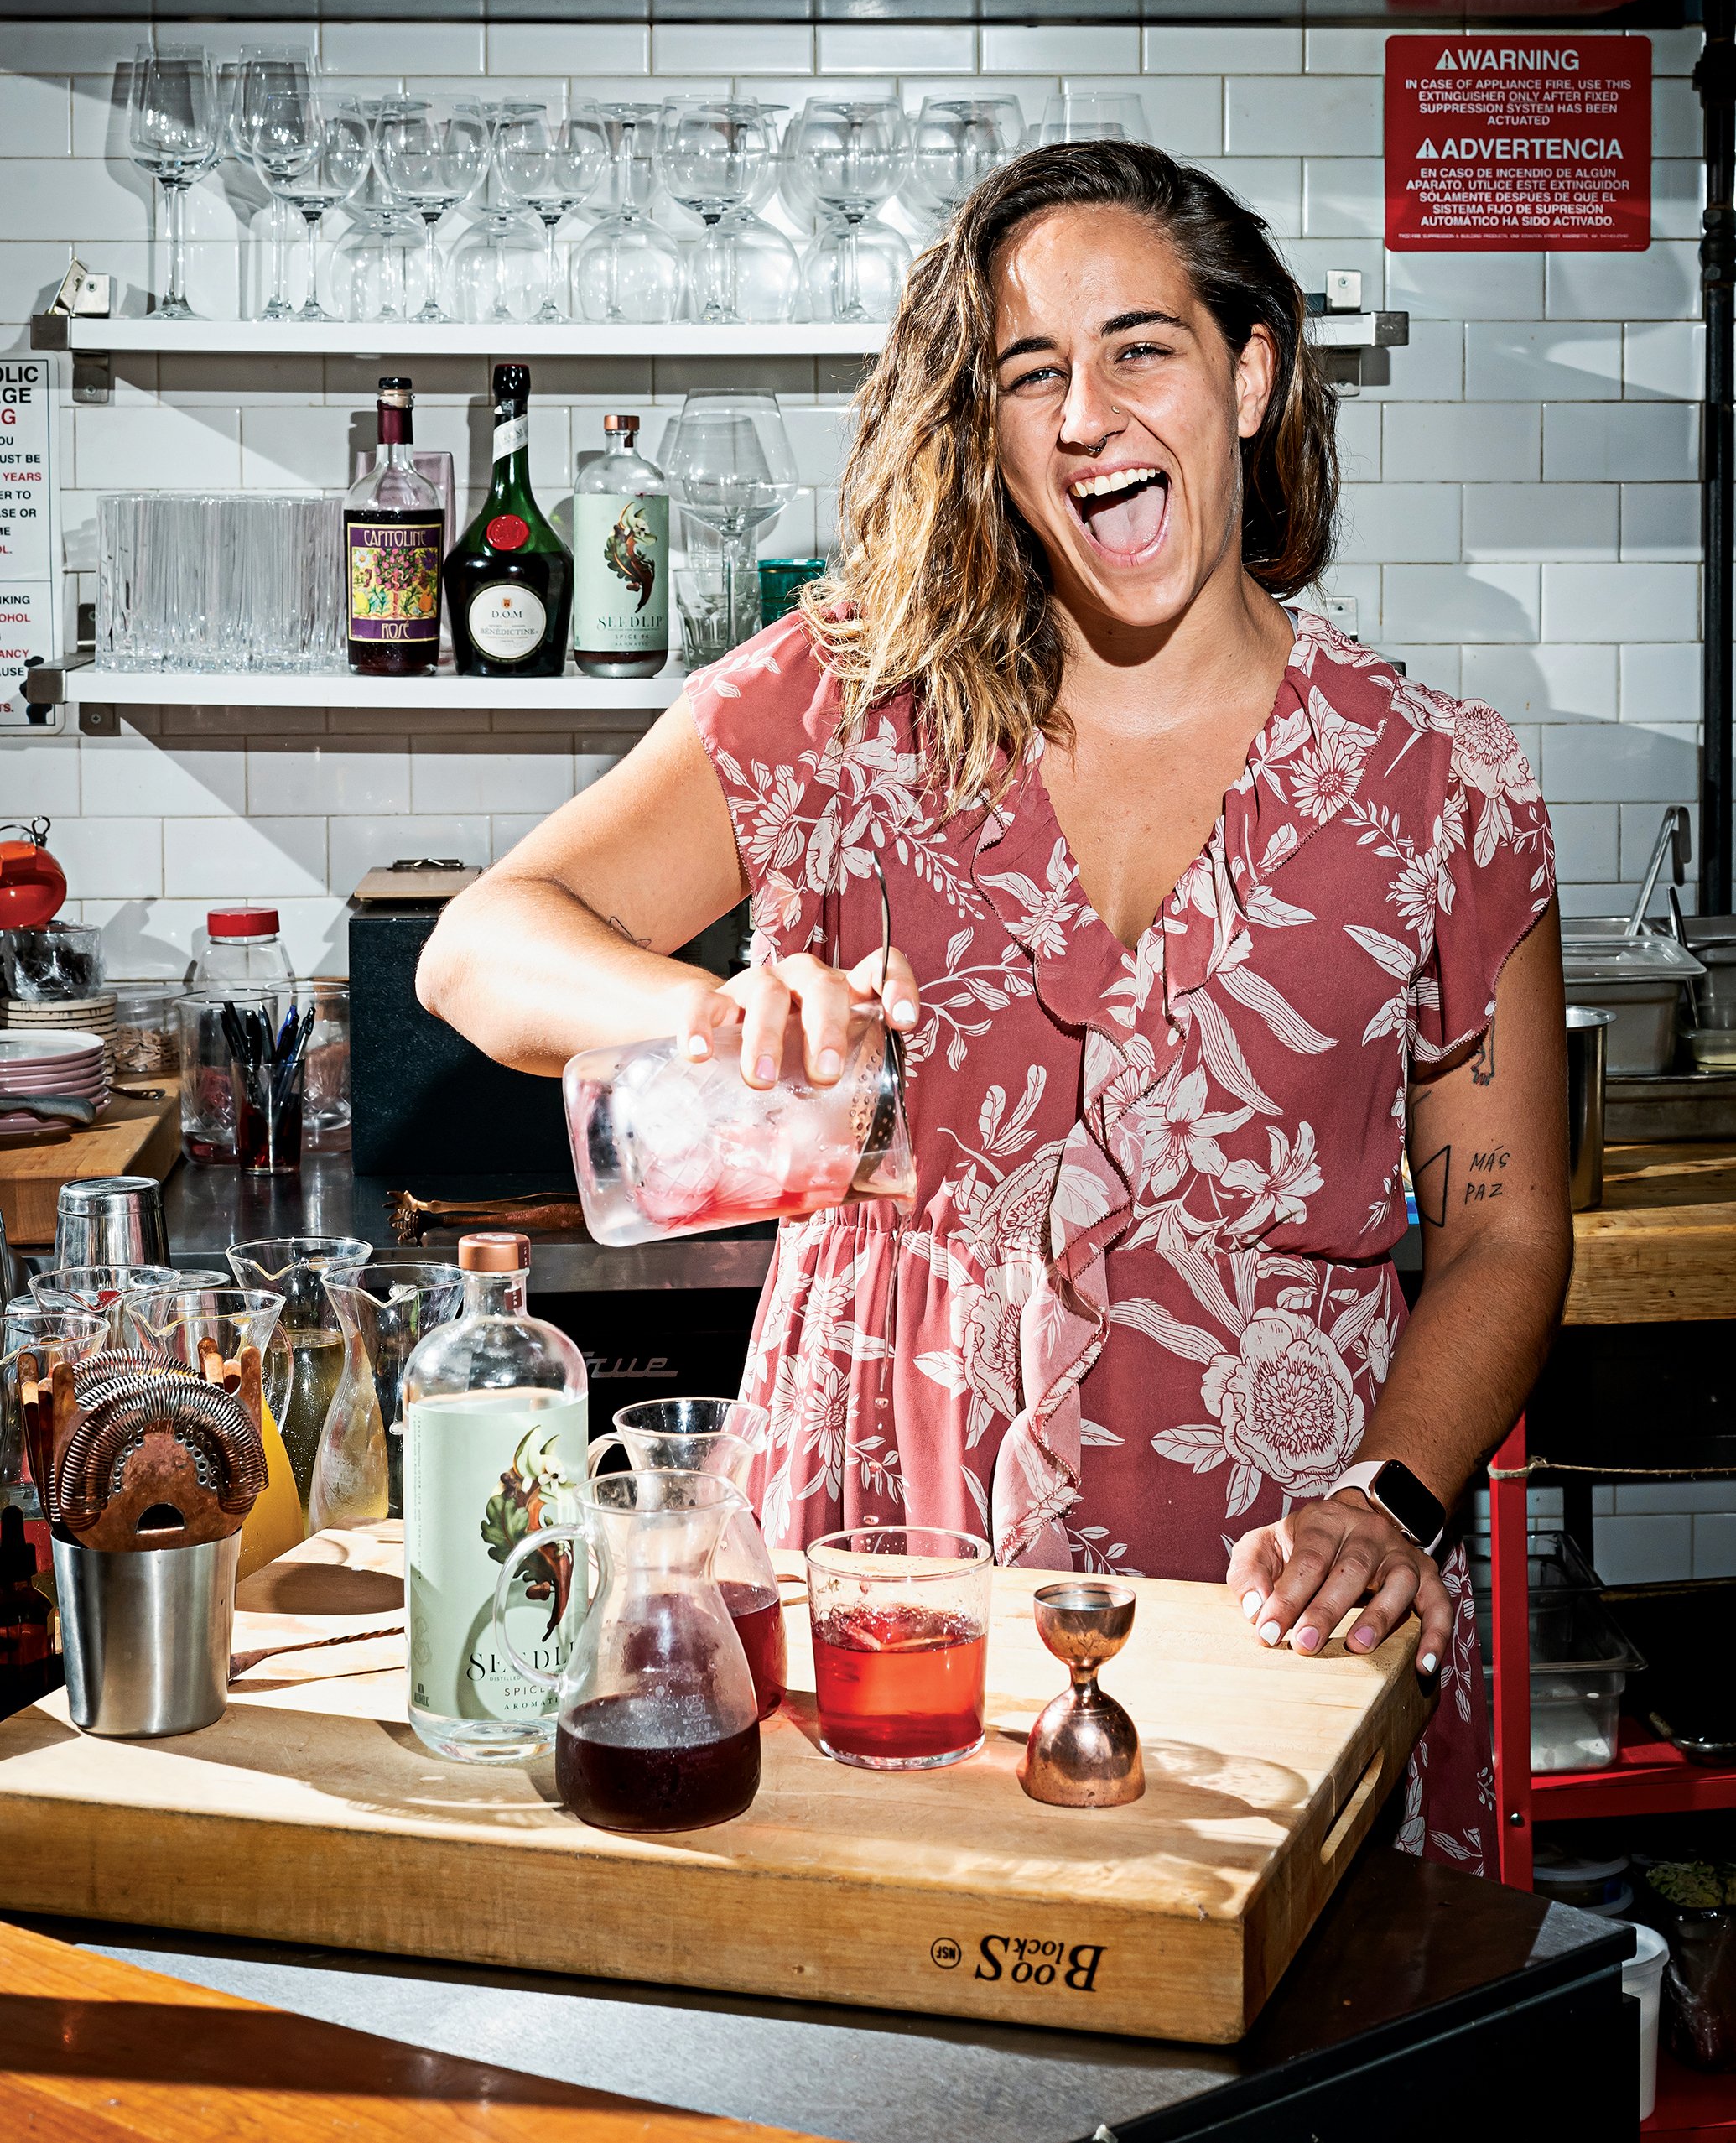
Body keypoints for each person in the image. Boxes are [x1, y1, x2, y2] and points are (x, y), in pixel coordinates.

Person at [418, 140, 1572, 1870]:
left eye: (1141, 349)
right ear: (991, 431)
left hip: (1274, 1576)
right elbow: (481, 945)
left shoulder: (1439, 786)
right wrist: (719, 1002)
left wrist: (1385, 1498)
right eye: (1033, 372)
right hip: (884, 1549)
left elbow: (1507, 1232)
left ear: (1249, 377)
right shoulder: (856, 697)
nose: (1091, 413)